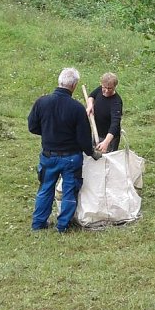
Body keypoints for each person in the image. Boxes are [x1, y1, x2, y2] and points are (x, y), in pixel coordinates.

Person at [28, 67, 99, 233]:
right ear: (74, 86)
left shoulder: (41, 102)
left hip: (48, 156)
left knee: (45, 189)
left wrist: (47, 132)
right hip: (71, 158)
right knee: (69, 191)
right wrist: (92, 152)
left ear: (59, 82)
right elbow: (83, 138)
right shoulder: (76, 108)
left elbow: (32, 126)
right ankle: (63, 226)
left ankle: (38, 224)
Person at [85, 72, 123, 153]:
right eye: (104, 87)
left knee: (107, 160)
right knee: (95, 157)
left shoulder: (116, 102)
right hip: (97, 132)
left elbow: (115, 125)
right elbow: (91, 96)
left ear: (115, 87)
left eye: (109, 88)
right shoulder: (100, 89)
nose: (106, 90)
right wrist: (90, 105)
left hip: (109, 138)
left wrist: (106, 142)